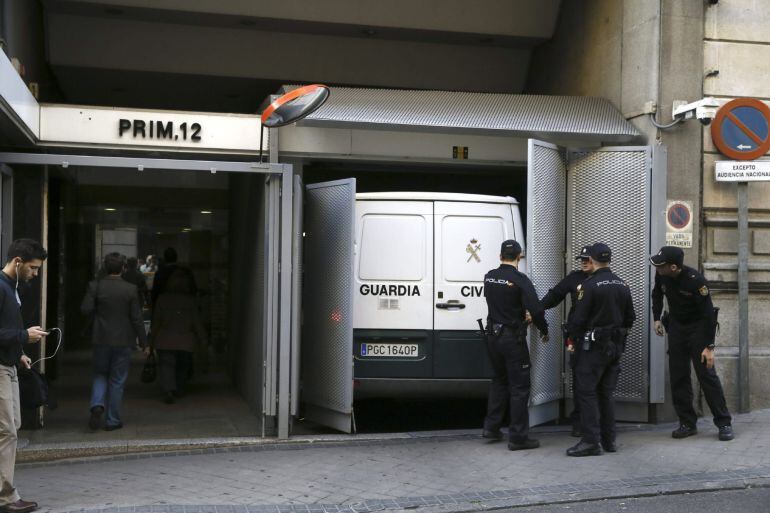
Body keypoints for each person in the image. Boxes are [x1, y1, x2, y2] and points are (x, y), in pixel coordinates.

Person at [650, 246, 733, 441]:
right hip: (677, 328)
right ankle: (687, 423)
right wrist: (656, 318)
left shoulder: (696, 281)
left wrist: (709, 347)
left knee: (706, 375)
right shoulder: (662, 275)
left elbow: (708, 316)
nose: (657, 268)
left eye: (661, 265)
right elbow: (656, 295)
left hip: (699, 329)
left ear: (673, 267)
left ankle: (724, 423)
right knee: (679, 376)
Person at [567, 243, 635, 457]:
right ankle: (609, 440)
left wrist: (575, 341)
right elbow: (630, 318)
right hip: (614, 347)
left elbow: (578, 320)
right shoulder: (623, 284)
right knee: (606, 394)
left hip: (592, 347)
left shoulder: (589, 285)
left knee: (586, 393)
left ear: (593, 260)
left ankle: (590, 441)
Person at [482, 239, 549, 451]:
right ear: (519, 257)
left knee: (499, 381)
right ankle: (518, 437)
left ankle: (491, 428)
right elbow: (536, 309)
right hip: (512, 338)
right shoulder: (520, 280)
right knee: (519, 388)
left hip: (493, 336)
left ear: (500, 255)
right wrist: (543, 328)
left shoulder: (490, 277)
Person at [0, 239, 48, 513]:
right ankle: (6, 498)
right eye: (33, 268)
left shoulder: (12, 287)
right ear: (17, 261)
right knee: (7, 431)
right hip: (0, 368)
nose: (35, 274)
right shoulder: (1, 287)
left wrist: (19, 351)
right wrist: (23, 336)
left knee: (11, 426)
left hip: (9, 364)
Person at [81, 252, 148, 431]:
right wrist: (144, 342)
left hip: (100, 337)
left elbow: (85, 309)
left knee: (100, 373)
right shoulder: (130, 289)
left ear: (104, 267)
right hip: (123, 340)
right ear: (123, 268)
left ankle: (96, 404)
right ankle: (112, 420)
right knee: (117, 380)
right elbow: (136, 318)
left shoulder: (95, 286)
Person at [540, 245, 593, 437]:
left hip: (599, 339)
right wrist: (537, 310)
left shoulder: (604, 280)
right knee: (579, 381)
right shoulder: (575, 277)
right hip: (579, 338)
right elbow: (555, 295)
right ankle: (579, 422)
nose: (584, 263)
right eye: (582, 260)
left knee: (599, 384)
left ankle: (596, 423)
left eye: (588, 259)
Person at [150, 268, 207, 404]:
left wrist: (151, 341)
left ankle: (168, 389)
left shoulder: (162, 299)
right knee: (182, 366)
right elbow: (196, 322)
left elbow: (156, 321)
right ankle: (179, 388)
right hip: (185, 340)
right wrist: (203, 339)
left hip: (165, 338)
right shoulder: (191, 301)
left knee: (166, 365)